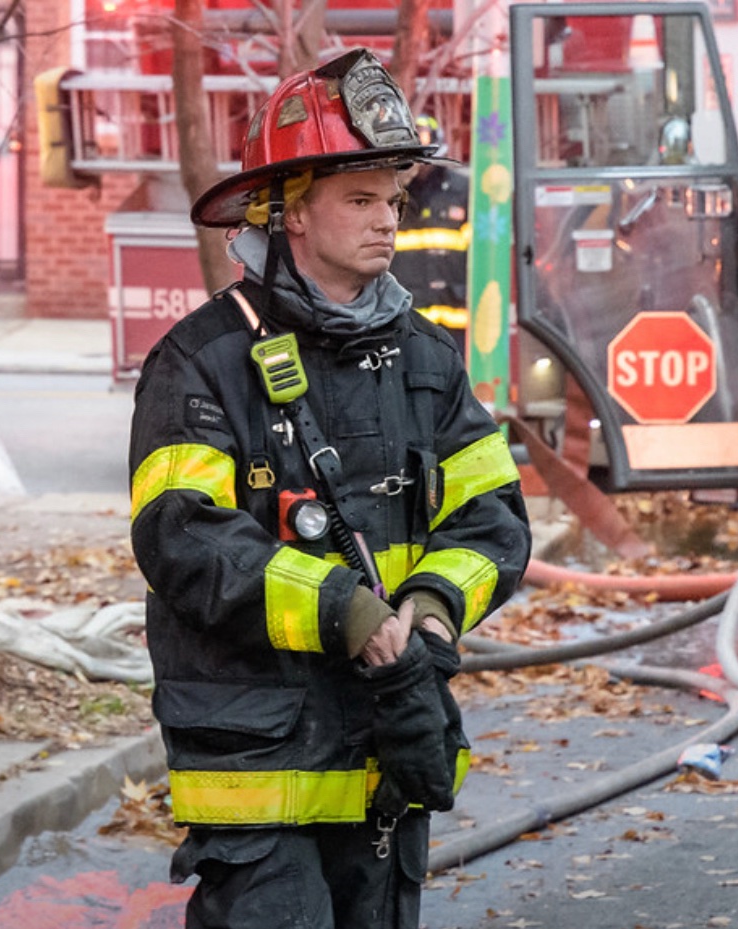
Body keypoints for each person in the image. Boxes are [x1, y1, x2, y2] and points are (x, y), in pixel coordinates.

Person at [129, 48, 531, 929]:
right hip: (260, 764)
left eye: (394, 200)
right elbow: (183, 538)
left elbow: (493, 517)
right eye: (360, 199)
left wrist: (431, 608)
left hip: (388, 750)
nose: (387, 220)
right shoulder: (202, 361)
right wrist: (345, 610)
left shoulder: (424, 357)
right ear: (291, 212)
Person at [392, 114, 471, 354]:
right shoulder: (390, 196)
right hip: (404, 325)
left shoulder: (463, 192)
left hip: (456, 327)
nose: (420, 165)